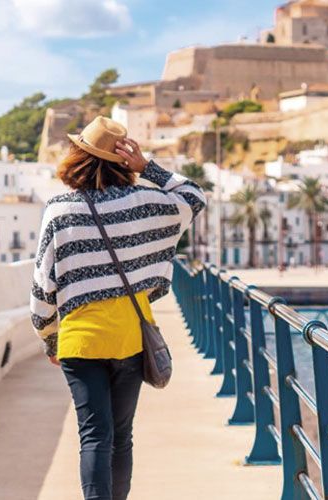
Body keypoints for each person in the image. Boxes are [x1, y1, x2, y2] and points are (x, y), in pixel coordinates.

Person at [30, 116, 206, 500]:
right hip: (129, 337)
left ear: (77, 158)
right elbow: (194, 197)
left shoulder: (59, 210)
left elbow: (44, 287)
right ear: (121, 161)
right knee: (121, 437)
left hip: (79, 341)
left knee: (94, 435)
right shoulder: (144, 203)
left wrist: (49, 339)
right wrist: (147, 169)